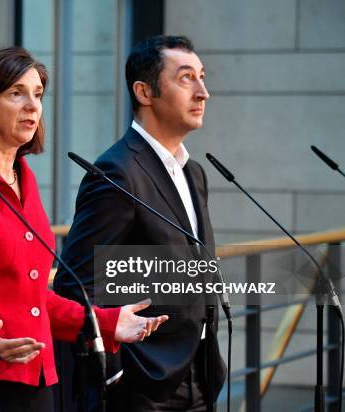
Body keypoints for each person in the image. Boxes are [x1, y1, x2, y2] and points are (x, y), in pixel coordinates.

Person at [0, 46, 168, 412]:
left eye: (38, 94)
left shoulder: (26, 179)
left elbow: (34, 298)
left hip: (37, 380)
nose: (32, 106)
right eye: (15, 93)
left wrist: (103, 322)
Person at [53, 35, 226, 411]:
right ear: (144, 92)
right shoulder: (117, 172)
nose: (203, 92)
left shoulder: (193, 172)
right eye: (186, 78)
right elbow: (76, 284)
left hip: (200, 374)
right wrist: (118, 373)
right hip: (145, 386)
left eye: (202, 76)